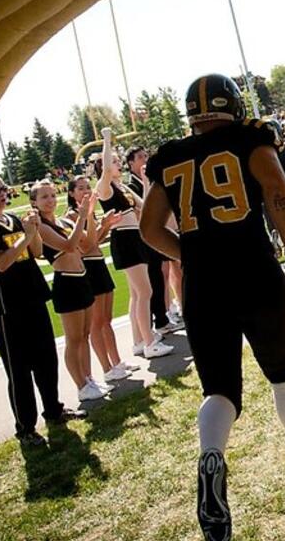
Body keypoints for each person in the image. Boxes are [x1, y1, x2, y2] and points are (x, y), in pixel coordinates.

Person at [139, 74, 285, 540]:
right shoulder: (250, 139)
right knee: (282, 371)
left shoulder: (170, 157)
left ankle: (212, 454)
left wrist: (192, 255)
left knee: (219, 391)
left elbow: (149, 229)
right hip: (255, 271)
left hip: (202, 285)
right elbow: (278, 190)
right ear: (232, 105)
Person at [0, 175, 85, 447]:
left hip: (34, 298)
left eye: (4, 189)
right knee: (19, 371)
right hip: (9, 308)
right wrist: (27, 236)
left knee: (46, 361)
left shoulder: (15, 219)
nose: (2, 194)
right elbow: (2, 263)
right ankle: (26, 427)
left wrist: (32, 232)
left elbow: (37, 251)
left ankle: (54, 410)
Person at [95, 130, 174, 360]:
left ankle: (139, 340)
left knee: (136, 293)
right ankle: (150, 343)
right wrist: (107, 140)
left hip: (134, 237)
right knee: (145, 291)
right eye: (115, 162)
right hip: (124, 239)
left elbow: (145, 204)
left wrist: (147, 180)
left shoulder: (123, 188)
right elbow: (107, 166)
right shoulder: (105, 187)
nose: (118, 165)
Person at [30, 179, 105, 402]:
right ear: (34, 202)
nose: (50, 200)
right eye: (44, 197)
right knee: (73, 338)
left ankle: (89, 378)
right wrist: (81, 217)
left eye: (53, 195)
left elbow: (89, 244)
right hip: (66, 283)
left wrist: (89, 215)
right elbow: (69, 246)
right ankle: (80, 385)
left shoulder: (63, 221)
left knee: (85, 335)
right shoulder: (40, 226)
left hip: (82, 279)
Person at [64, 175, 137, 385]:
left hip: (98, 264)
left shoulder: (88, 213)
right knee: (96, 323)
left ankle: (117, 362)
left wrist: (106, 225)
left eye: (87, 186)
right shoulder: (71, 216)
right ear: (71, 193)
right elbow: (85, 246)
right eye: (80, 188)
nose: (86, 190)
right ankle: (106, 368)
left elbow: (97, 240)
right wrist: (95, 221)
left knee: (107, 319)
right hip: (88, 268)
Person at [127, 146, 185, 335]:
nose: (145, 159)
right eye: (140, 157)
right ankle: (161, 316)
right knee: (157, 277)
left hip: (166, 228)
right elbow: (142, 209)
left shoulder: (151, 178)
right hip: (148, 235)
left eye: (145, 155)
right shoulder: (132, 185)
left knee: (171, 271)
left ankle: (172, 309)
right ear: (131, 163)